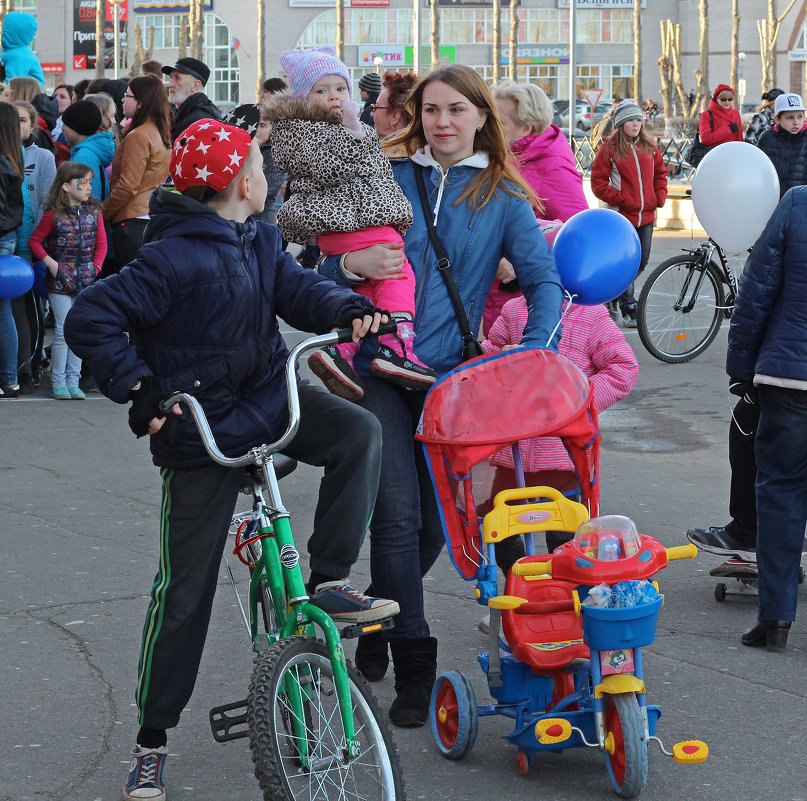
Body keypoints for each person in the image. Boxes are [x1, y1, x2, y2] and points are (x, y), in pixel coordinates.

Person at [63, 118, 399, 800]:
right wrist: (141, 386)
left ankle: (327, 581)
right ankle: (151, 740)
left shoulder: (259, 236)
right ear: (240, 183)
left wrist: (346, 306)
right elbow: (89, 317)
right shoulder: (171, 258)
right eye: (259, 165)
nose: (268, 176)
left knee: (358, 434)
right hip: (201, 433)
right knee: (182, 597)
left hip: (271, 400)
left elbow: (296, 292)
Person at [318, 64, 565, 726]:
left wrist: (531, 350)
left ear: (481, 115)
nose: (443, 122)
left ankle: (379, 614)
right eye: (431, 110)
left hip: (449, 383)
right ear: (415, 116)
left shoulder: (503, 195)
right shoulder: (386, 176)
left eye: (457, 109)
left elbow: (543, 282)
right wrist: (348, 266)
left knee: (434, 526)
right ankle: (414, 666)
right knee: (397, 518)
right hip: (375, 368)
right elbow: (313, 263)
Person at [268, 46, 436, 400]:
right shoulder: (307, 130)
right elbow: (335, 168)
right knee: (398, 272)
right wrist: (355, 132)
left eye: (340, 88)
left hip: (346, 225)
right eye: (321, 90)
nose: (334, 97)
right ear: (303, 98)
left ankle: (339, 351)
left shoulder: (324, 130)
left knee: (365, 292)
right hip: (353, 220)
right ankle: (396, 343)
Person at [480, 294, 638, 570]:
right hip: (512, 451)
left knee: (565, 538)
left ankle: (564, 596)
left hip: (563, 456)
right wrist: (504, 358)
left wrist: (578, 401)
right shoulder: (515, 309)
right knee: (499, 532)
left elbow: (623, 368)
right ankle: (524, 590)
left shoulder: (591, 314)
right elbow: (488, 357)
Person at [725, 185, 807, 652]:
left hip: (789, 379)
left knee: (781, 493)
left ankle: (774, 620)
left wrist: (741, 369)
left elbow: (756, 292)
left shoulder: (797, 203)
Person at [486, 79, 587, 334]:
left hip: (522, 301)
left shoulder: (552, 166)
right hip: (496, 294)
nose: (488, 127)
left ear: (526, 128)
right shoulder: (505, 156)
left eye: (500, 122)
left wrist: (518, 261)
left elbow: (578, 235)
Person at [28, 161, 107, 399]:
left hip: (85, 280)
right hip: (60, 283)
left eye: (90, 182)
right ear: (65, 186)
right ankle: (59, 381)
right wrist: (51, 263)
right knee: (63, 330)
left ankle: (74, 380)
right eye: (82, 182)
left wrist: (96, 267)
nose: (88, 187)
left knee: (78, 330)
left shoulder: (94, 212)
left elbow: (101, 243)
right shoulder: (54, 215)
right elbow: (35, 242)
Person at [591, 99, 667, 328]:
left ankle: (611, 294)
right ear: (621, 123)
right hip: (622, 217)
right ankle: (628, 306)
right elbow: (598, 183)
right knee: (626, 262)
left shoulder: (650, 147)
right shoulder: (610, 148)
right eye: (630, 120)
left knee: (641, 261)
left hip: (647, 216)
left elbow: (660, 174)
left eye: (638, 120)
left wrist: (658, 197)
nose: (636, 124)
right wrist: (622, 199)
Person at [102, 75, 171, 274]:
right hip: (148, 217)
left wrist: (103, 211)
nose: (123, 99)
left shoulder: (139, 135)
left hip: (132, 222)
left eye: (128, 95)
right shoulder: (159, 132)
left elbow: (128, 186)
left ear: (140, 102)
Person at [13, 100, 56, 393]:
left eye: (23, 120)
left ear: (33, 125)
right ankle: (15, 366)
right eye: (13, 120)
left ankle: (31, 364)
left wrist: (39, 242)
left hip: (32, 244)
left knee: (30, 308)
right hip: (8, 241)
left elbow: (46, 202)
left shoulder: (41, 157)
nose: (18, 126)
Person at [0, 102, 30, 399]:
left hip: (1, 239)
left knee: (3, 311)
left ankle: (8, 379)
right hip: (7, 238)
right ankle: (9, 379)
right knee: (4, 310)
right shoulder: (12, 158)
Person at [223, 103, 286, 225]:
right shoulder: (239, 149)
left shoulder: (275, 153)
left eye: (262, 125)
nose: (256, 130)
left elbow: (267, 189)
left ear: (272, 129)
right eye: (254, 124)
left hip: (261, 221)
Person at [61, 100, 115, 202]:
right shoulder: (89, 152)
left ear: (78, 127)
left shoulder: (84, 157)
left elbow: (84, 197)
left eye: (66, 124)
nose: (62, 128)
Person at [757, 92, 807, 198]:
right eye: (790, 117)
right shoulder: (767, 138)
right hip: (772, 199)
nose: (796, 122)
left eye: (800, 116)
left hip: (801, 201)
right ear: (778, 119)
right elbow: (759, 171)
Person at [161, 56, 221, 142]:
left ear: (196, 85)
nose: (170, 84)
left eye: (177, 78)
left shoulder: (200, 121)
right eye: (170, 77)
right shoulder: (178, 113)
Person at [371, 70, 418, 141]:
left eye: (376, 108)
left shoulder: (389, 151)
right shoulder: (418, 146)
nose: (371, 113)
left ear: (395, 116)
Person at [0, 11, 44, 85]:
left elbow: (12, 86)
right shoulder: (17, 53)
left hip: (28, 95)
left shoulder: (19, 56)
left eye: (6, 30)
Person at [699, 84, 743, 149]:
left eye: (730, 99)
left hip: (733, 153)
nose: (727, 102)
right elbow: (706, 139)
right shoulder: (707, 115)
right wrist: (728, 129)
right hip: (715, 154)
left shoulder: (735, 114)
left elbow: (739, 139)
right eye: (723, 99)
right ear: (716, 99)